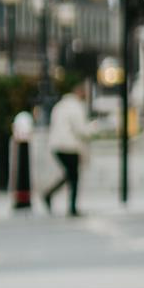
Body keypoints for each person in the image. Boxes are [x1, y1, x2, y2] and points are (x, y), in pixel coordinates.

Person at [45, 79, 91, 217]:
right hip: (69, 146)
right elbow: (81, 129)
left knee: (70, 175)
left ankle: (49, 195)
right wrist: (93, 130)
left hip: (56, 145)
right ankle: (72, 208)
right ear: (80, 92)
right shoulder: (76, 107)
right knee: (73, 176)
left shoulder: (60, 105)